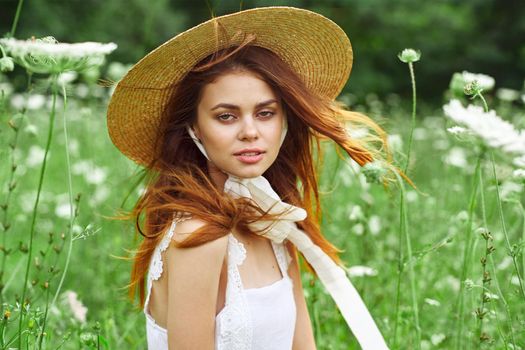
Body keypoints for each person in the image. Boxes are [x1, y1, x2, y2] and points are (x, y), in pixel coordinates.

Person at [107, 6, 398, 350]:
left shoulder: (274, 219)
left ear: (284, 120)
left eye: (265, 113)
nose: (250, 132)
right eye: (226, 116)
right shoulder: (198, 238)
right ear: (194, 128)